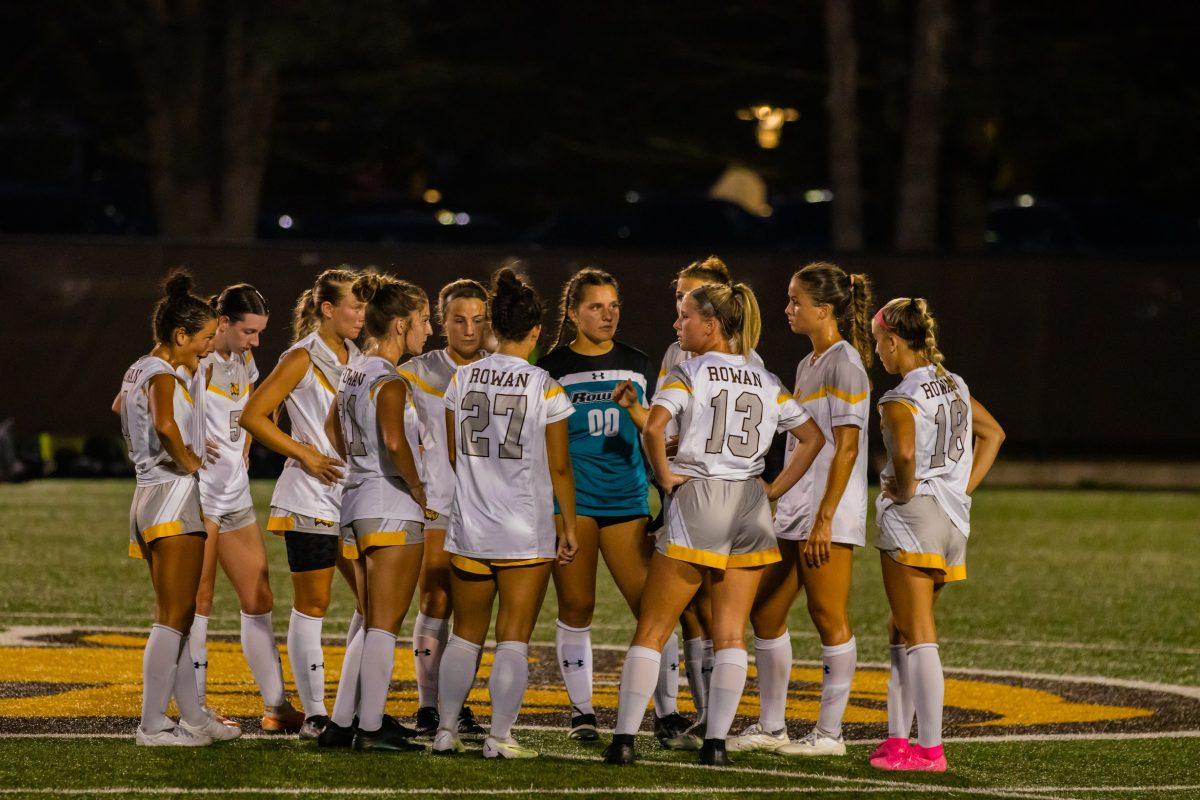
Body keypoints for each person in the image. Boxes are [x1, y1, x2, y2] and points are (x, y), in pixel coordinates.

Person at [604, 281, 824, 767]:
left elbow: (656, 428)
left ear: (713, 325)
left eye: (684, 316)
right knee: (730, 633)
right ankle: (716, 745)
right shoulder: (765, 378)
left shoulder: (688, 370)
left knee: (653, 627)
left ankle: (622, 740)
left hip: (701, 495)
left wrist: (666, 477)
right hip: (749, 502)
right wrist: (774, 489)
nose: (677, 324)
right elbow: (812, 437)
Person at [433, 267, 578, 759]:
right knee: (512, 637)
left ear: (493, 324)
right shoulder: (545, 385)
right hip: (523, 526)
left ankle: (445, 731)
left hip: (470, 523)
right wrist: (570, 525)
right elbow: (560, 466)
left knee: (464, 635)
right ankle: (498, 737)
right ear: (536, 332)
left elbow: (455, 451)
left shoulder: (463, 375)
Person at [729, 262, 873, 757]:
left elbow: (848, 449)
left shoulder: (844, 363)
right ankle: (772, 727)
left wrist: (826, 518)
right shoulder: (810, 362)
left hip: (827, 514)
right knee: (766, 614)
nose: (787, 309)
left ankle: (830, 734)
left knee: (827, 614)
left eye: (796, 301)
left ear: (825, 310)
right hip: (798, 510)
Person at [868, 297, 1004, 772]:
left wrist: (903, 490)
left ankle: (929, 749)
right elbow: (995, 435)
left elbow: (903, 454)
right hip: (951, 522)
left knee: (920, 635)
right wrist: (959, 490)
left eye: (877, 343)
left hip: (915, 518)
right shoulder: (955, 383)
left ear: (893, 340)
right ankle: (896, 741)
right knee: (901, 628)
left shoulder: (898, 398)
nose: (877, 353)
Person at [116, 269, 239, 746]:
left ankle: (194, 717)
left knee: (182, 614)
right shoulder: (164, 373)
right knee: (172, 615)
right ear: (179, 335)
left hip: (146, 496)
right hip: (169, 494)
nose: (208, 348)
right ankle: (150, 725)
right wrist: (190, 462)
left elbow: (118, 406)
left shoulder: (139, 369)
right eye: (204, 339)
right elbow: (166, 425)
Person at [239, 268, 363, 737]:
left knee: (373, 603)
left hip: (351, 496)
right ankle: (314, 714)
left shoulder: (359, 355)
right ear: (328, 309)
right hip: (309, 496)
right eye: (353, 305)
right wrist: (305, 453)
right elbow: (253, 415)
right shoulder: (300, 357)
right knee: (314, 604)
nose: (361, 314)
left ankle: (349, 704)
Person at [538, 267, 660, 743]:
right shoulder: (552, 368)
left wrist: (636, 411)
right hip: (574, 503)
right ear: (573, 313)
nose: (607, 315)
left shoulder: (639, 362)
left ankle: (666, 713)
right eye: (595, 306)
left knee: (651, 610)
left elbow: (654, 430)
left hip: (627, 499)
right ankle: (582, 713)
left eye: (613, 305)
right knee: (576, 604)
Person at [650, 255, 762, 747]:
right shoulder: (692, 356)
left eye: (689, 298)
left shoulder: (715, 360)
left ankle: (700, 721)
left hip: (699, 495)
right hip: (734, 499)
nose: (680, 309)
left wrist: (670, 466)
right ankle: (708, 725)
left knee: (698, 616)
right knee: (702, 617)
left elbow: (662, 430)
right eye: (678, 296)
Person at [320, 274, 432, 751]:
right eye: (424, 321)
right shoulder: (388, 378)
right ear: (401, 324)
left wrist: (356, 466)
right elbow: (394, 441)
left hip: (356, 500)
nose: (428, 332)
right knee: (386, 623)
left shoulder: (353, 369)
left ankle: (342, 722)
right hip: (390, 503)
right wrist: (420, 489)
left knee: (369, 618)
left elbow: (331, 425)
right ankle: (370, 727)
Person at [187, 284, 305, 733]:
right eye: (248, 332)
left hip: (234, 495)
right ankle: (196, 710)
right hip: (200, 499)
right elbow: (145, 406)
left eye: (259, 333)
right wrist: (187, 442)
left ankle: (276, 706)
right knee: (197, 603)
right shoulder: (196, 361)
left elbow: (253, 408)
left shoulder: (242, 360)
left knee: (259, 598)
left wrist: (247, 448)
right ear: (223, 323)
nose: (255, 341)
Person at [399, 278, 491, 739]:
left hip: (484, 508)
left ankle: (457, 703)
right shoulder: (417, 371)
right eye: (459, 319)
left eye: (477, 319)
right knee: (435, 600)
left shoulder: (500, 371)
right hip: (436, 502)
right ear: (441, 321)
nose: (469, 329)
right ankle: (428, 705)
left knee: (471, 610)